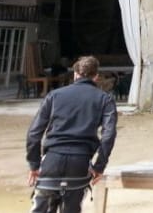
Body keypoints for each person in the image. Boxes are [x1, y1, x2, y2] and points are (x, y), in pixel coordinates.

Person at [25, 55, 117, 213]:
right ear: (96, 77)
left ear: (75, 74)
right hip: (80, 163)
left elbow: (34, 133)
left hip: (51, 162)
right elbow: (108, 135)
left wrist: (34, 164)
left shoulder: (54, 96)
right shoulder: (105, 99)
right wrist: (99, 166)